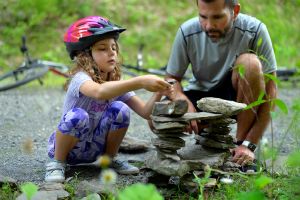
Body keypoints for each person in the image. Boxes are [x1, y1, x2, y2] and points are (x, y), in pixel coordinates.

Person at [45, 16, 174, 183]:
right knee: (78, 115)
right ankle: (57, 163)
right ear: (86, 55)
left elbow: (146, 112)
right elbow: (99, 92)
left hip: (94, 150)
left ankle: (110, 159)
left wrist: (159, 92)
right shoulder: (80, 78)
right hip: (70, 150)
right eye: (102, 48)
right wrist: (141, 81)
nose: (111, 52)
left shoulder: (115, 85)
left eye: (114, 47)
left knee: (120, 108)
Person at [165, 0, 277, 167]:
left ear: (235, 11)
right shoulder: (187, 31)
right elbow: (171, 79)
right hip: (200, 98)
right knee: (158, 109)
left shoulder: (255, 30)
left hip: (236, 99)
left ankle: (240, 147)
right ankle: (206, 134)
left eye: (218, 17)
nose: (209, 25)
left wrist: (249, 143)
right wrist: (181, 99)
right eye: (203, 17)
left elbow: (270, 92)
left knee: (250, 63)